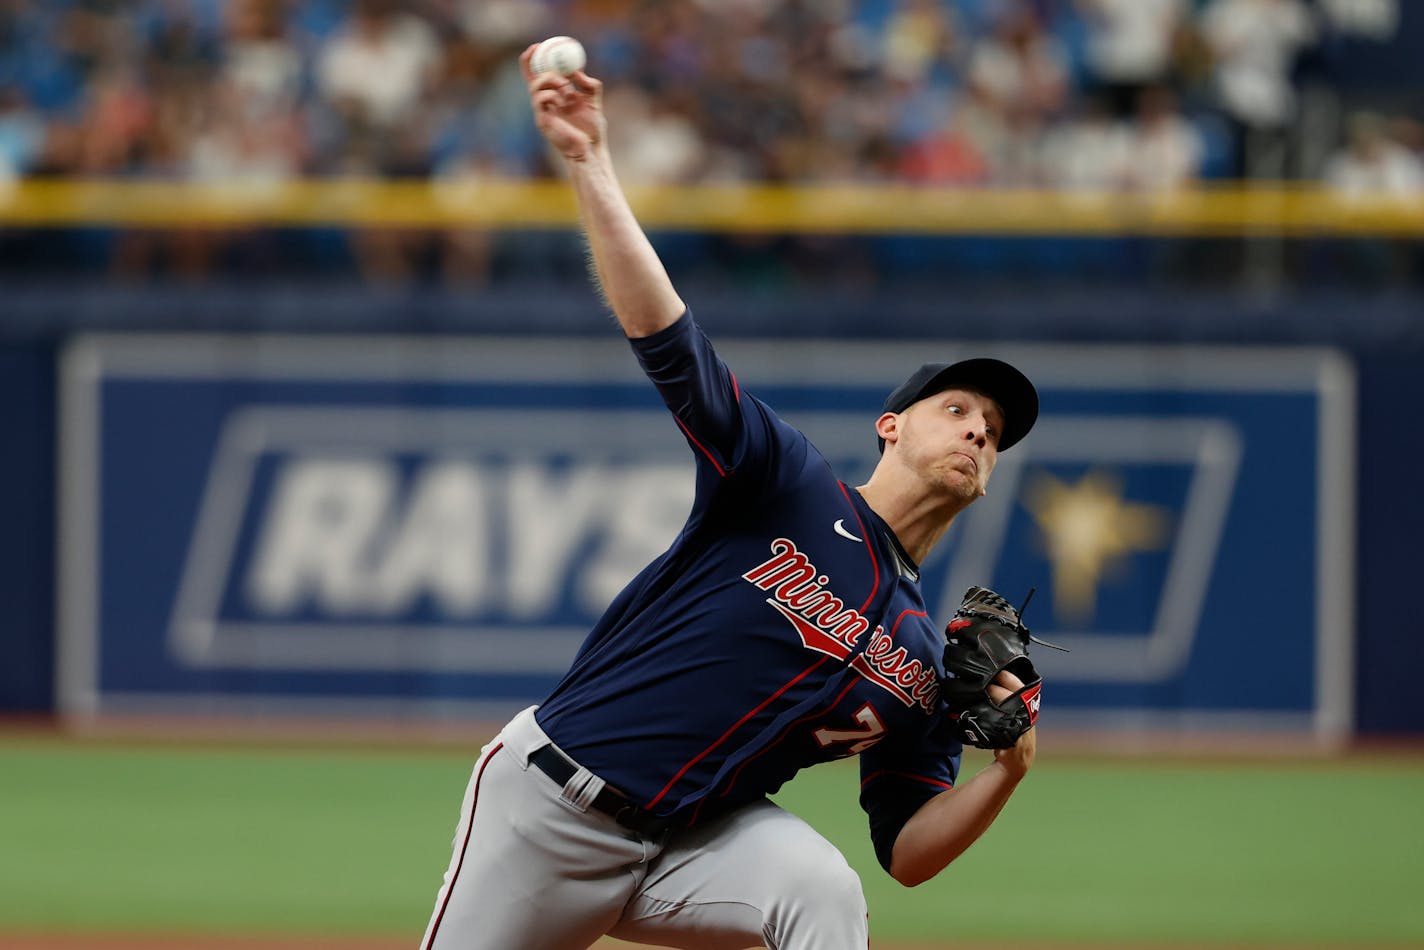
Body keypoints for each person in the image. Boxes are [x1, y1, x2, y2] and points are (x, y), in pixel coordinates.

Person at [419, 45, 1043, 950]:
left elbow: (906, 850)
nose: (980, 430)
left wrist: (1010, 769)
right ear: (892, 426)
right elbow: (667, 337)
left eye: (994, 428)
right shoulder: (785, 483)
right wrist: (591, 163)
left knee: (821, 888)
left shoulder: (922, 657)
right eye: (957, 408)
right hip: (549, 810)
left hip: (692, 848)